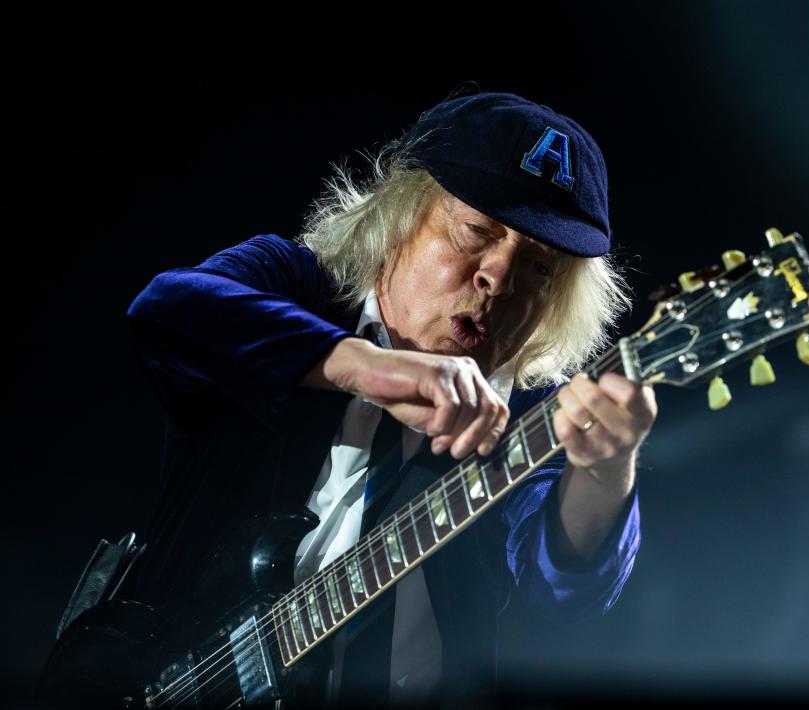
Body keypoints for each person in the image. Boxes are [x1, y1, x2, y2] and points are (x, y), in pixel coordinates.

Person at [125, 90, 657, 706]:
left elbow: (564, 593)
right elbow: (166, 313)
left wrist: (606, 466)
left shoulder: (540, 415)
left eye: (540, 267)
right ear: (403, 215)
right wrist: (371, 370)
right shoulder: (294, 286)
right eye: (478, 229)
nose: (501, 278)